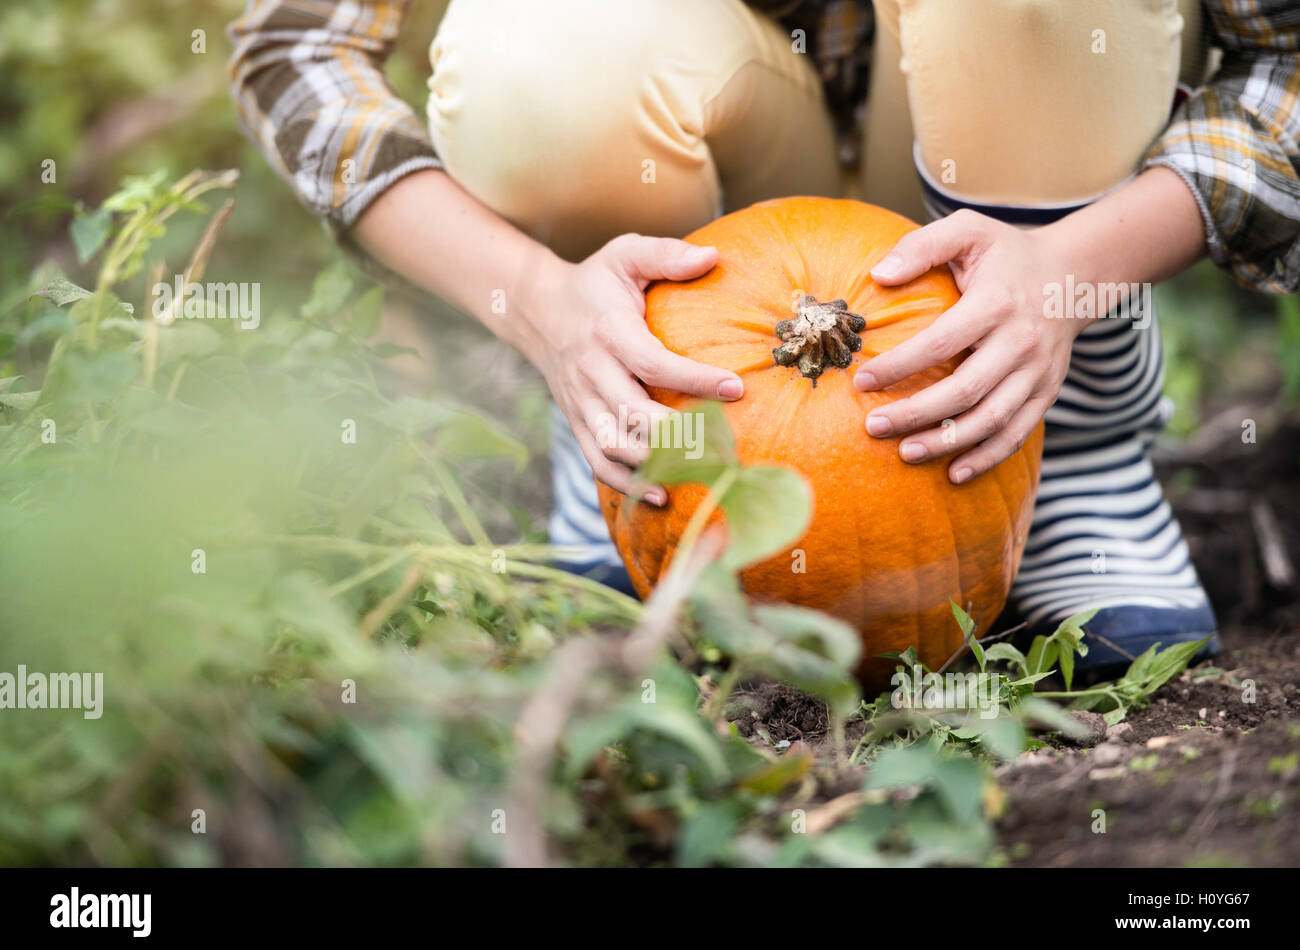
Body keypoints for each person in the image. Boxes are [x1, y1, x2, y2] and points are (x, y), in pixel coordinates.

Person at [229, 0, 1298, 670]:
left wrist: (1075, 269)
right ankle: (635, 404)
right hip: (703, 212)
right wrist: (535, 297)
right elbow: (298, 51)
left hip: (1022, 198)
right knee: (538, 48)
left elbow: (1286, 55)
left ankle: (1060, 443)